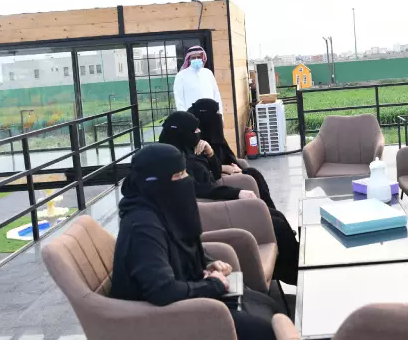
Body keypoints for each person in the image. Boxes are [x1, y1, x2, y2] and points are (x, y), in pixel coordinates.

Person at [109, 143, 280, 340]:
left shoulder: (161, 209)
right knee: (267, 330)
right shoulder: (142, 227)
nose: (187, 180)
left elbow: (183, 245)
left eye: (185, 173)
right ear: (154, 182)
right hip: (167, 320)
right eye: (179, 175)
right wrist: (213, 285)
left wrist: (207, 263)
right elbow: (162, 289)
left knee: (268, 306)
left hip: (189, 301)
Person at [158, 111, 299, 286]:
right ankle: (293, 273)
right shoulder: (174, 163)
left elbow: (215, 174)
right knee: (276, 224)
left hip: (220, 202)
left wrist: (210, 153)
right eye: (194, 130)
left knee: (277, 217)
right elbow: (200, 189)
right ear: (182, 133)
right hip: (213, 212)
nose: (199, 133)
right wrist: (236, 193)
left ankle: (299, 265)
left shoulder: (191, 150)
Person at [190, 98, 275, 209]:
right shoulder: (198, 143)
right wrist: (226, 168)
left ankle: (268, 209)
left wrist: (236, 167)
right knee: (252, 174)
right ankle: (266, 210)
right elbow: (203, 169)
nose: (219, 117)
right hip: (219, 179)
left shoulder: (216, 135)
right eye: (216, 113)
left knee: (253, 173)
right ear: (206, 117)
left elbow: (227, 156)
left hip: (230, 171)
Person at [174, 46, 223, 113]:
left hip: (210, 114)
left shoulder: (208, 73)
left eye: (199, 57)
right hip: (191, 115)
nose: (196, 59)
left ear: (202, 58)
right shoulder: (181, 76)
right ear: (189, 59)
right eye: (193, 58)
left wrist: (220, 114)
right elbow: (179, 100)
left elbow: (216, 94)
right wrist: (185, 117)